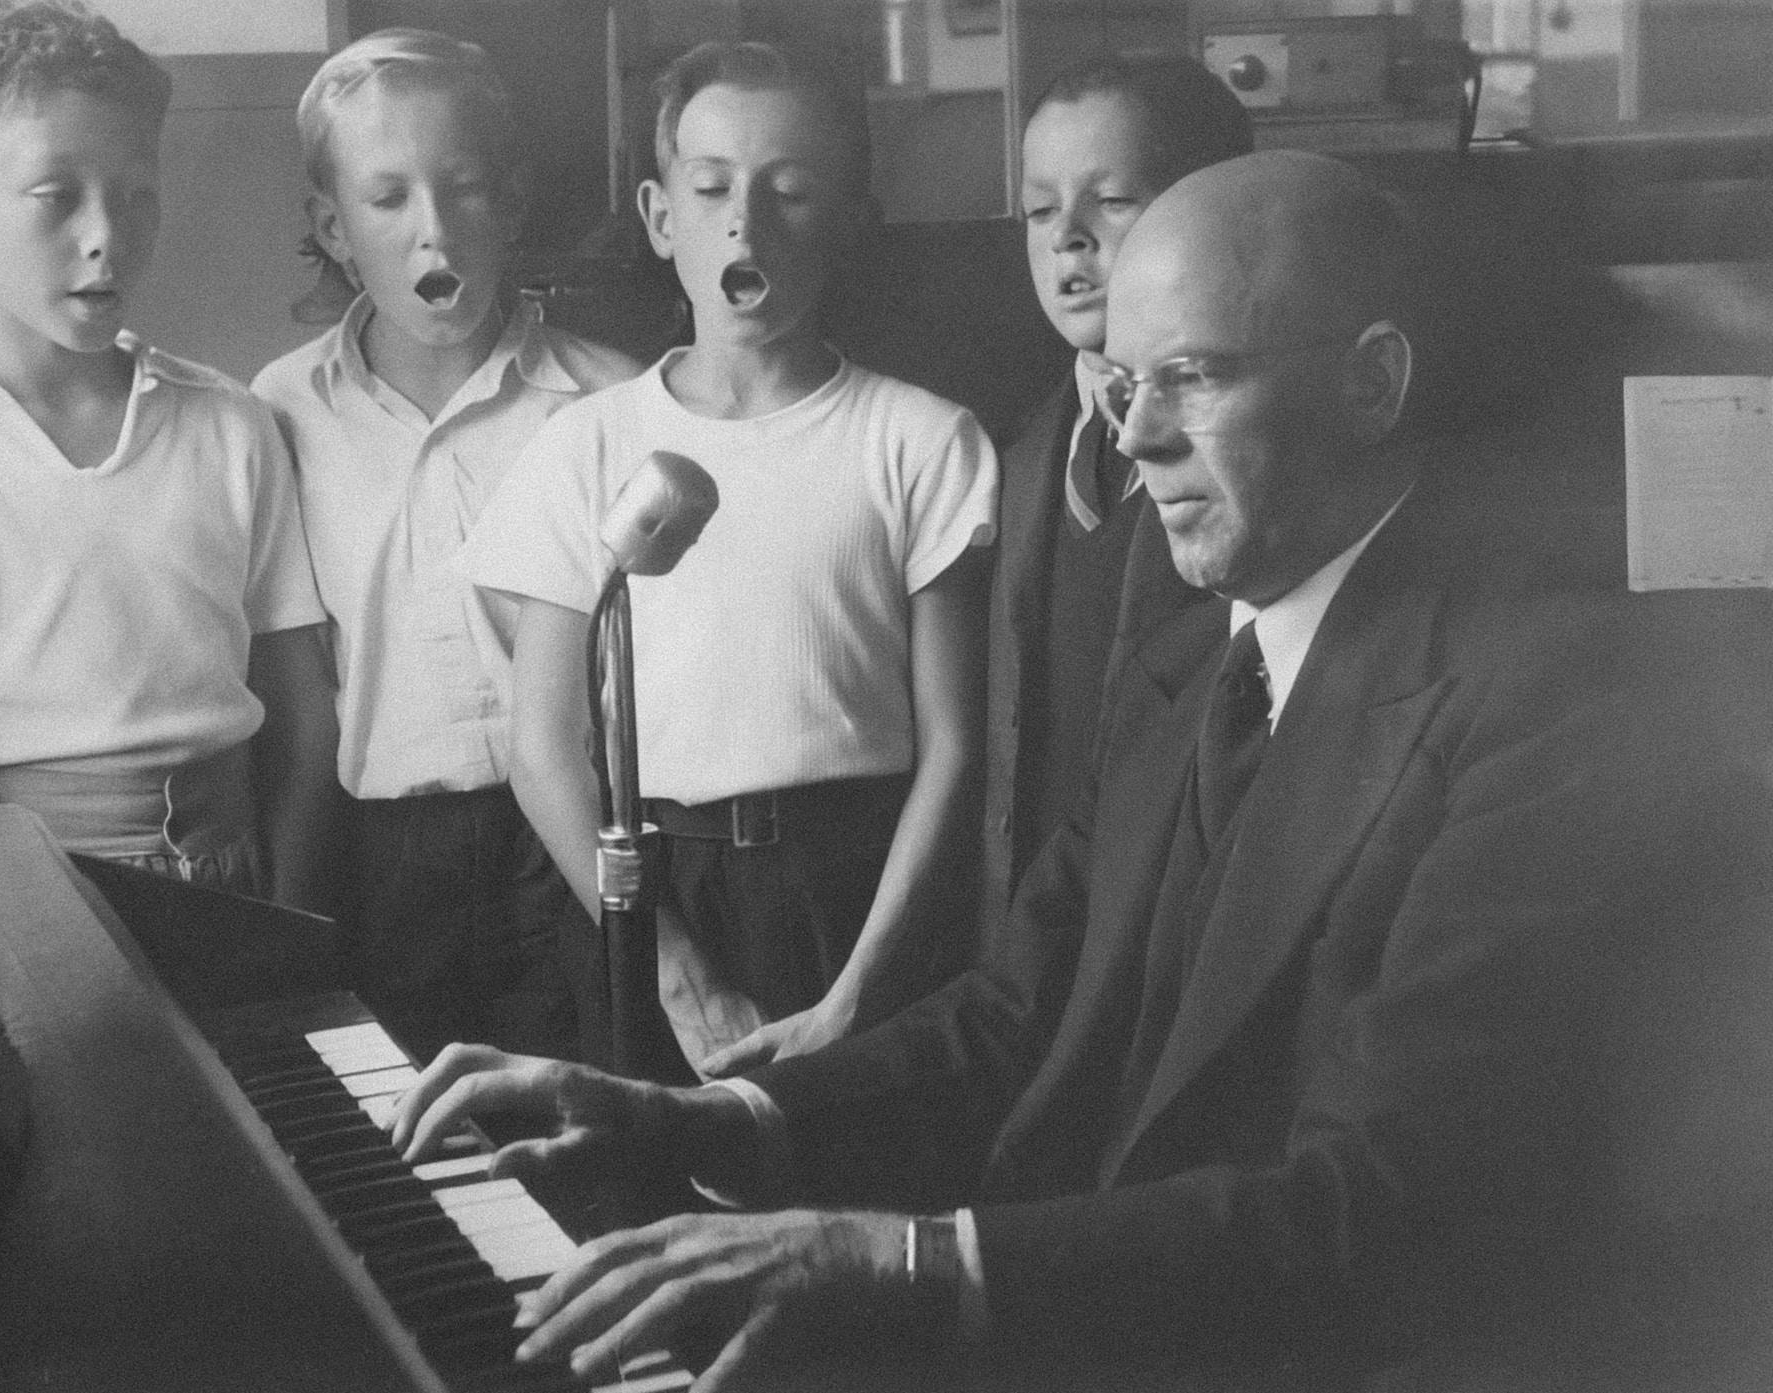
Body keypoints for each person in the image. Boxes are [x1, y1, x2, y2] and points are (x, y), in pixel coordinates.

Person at [392, 150, 1773, 1389]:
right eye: (1121, 381)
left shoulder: (1553, 697)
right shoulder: (1182, 660)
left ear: (1373, 382)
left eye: (1196, 377)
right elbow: (1016, 1013)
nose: (1135, 435)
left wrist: (906, 1261)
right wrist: (711, 1116)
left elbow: (1378, 1200)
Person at [460, 41, 996, 1077]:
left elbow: (957, 751)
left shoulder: (923, 440)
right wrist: (673, 971)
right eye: (712, 189)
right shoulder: (588, 443)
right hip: (651, 892)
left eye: (790, 190)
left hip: (854, 885)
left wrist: (858, 994)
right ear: (663, 219)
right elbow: (544, 750)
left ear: (847, 218)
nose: (746, 222)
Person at [0, 0, 336, 906]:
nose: (106, 233)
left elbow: (305, 727)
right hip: (31, 903)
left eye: (136, 191)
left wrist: (288, 926)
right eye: (56, 195)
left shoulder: (229, 425)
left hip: (246, 883)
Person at [250, 30, 638, 1062]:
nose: (435, 233)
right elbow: (293, 686)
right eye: (388, 200)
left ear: (509, 202)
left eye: (464, 188)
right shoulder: (278, 413)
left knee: (588, 1120)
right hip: (383, 863)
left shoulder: (606, 402)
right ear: (334, 227)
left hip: (573, 836)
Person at [983, 57, 1251, 935]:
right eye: (1039, 208)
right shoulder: (1023, 457)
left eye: (1114, 200)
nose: (1067, 238)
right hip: (1042, 937)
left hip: (1186, 918)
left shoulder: (1257, 469)